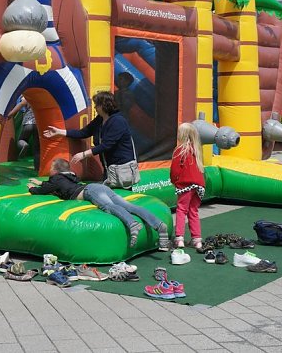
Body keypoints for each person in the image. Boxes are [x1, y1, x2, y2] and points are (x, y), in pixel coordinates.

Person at [28, 158, 169, 249]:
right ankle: (159, 225)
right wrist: (41, 182)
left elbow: (44, 189)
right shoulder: (69, 176)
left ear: (55, 171)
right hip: (99, 187)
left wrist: (32, 188)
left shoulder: (56, 179)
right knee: (129, 206)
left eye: (51, 168)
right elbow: (53, 185)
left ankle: (132, 224)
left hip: (90, 191)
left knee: (108, 207)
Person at [44, 91, 134, 180]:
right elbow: (83, 133)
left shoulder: (118, 121)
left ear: (104, 105)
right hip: (109, 168)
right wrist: (59, 132)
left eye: (97, 105)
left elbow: (106, 145)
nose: (95, 107)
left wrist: (84, 154)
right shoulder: (99, 119)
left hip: (122, 168)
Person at [170, 123, 206, 250]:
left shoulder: (180, 150)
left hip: (186, 185)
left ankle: (179, 238)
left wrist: (175, 181)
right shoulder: (196, 150)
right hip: (199, 185)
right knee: (193, 211)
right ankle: (197, 239)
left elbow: (175, 170)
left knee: (181, 209)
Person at [8, 97, 40, 171]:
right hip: (39, 125)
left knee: (22, 139)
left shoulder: (29, 96)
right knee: (37, 148)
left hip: (28, 124)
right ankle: (37, 168)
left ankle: (24, 145)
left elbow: (21, 104)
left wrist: (10, 114)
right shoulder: (40, 97)